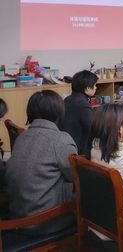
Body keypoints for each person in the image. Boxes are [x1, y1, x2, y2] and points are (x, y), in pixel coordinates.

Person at [6, 90, 77, 235]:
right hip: (43, 221)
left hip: (18, 214)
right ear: (59, 112)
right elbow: (76, 177)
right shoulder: (60, 139)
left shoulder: (22, 136)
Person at [60, 69, 98, 155]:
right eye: (95, 85)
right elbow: (94, 129)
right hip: (79, 151)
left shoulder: (67, 99)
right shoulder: (83, 105)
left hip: (65, 146)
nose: (96, 87)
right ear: (87, 88)